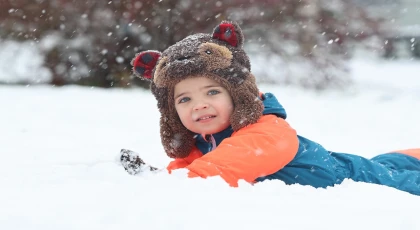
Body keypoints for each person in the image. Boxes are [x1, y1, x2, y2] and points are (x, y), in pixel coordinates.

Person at [126, 21, 420, 195]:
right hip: (341, 164)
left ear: (238, 95)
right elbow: (184, 172)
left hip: (349, 177)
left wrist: (173, 186)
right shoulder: (200, 145)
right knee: (388, 164)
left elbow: (221, 169)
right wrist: (157, 178)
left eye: (212, 91)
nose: (199, 104)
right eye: (184, 99)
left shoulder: (266, 130)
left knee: (397, 181)